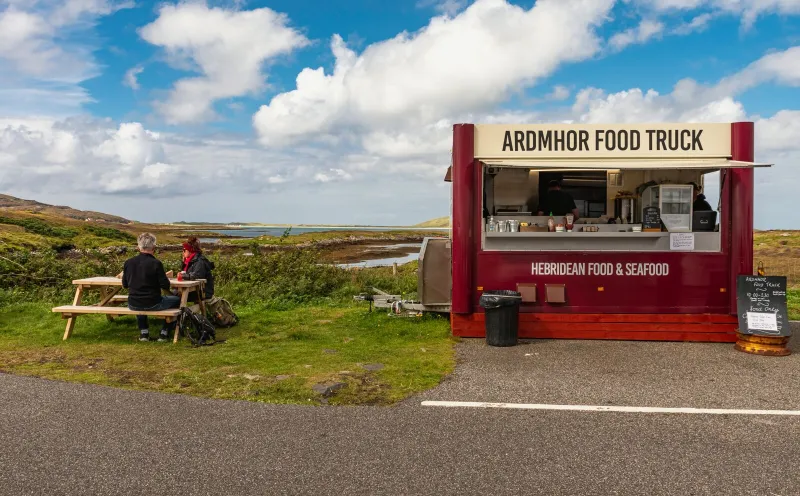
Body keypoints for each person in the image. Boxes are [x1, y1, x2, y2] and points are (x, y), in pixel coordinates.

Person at [123, 233, 180, 342]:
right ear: (153, 247)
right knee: (178, 300)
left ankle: (144, 332)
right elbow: (165, 285)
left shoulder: (128, 263)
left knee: (140, 302)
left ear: (138, 247)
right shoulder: (156, 263)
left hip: (133, 303)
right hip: (153, 303)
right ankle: (164, 332)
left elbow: (125, 285)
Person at [179, 237, 215, 303]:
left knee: (177, 296)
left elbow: (197, 275)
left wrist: (183, 276)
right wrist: (183, 262)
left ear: (190, 251)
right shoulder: (189, 261)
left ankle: (182, 312)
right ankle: (182, 312)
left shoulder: (199, 261)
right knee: (175, 294)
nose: (183, 252)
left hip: (203, 292)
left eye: (184, 250)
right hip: (195, 289)